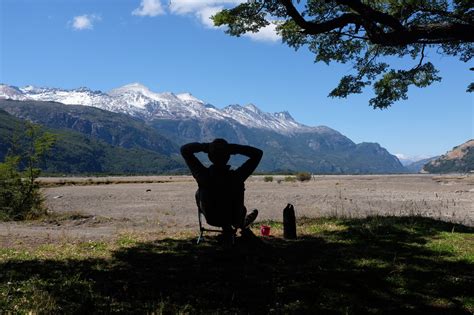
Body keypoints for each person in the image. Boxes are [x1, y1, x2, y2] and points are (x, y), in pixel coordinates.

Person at [180, 139, 263, 239]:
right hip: (234, 217)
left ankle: (230, 228)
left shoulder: (203, 176)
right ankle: (241, 224)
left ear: (210, 157)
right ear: (228, 156)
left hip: (212, 218)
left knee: (200, 193)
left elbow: (184, 150)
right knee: (231, 199)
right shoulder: (237, 177)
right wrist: (233, 148)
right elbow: (258, 153)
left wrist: (206, 147)